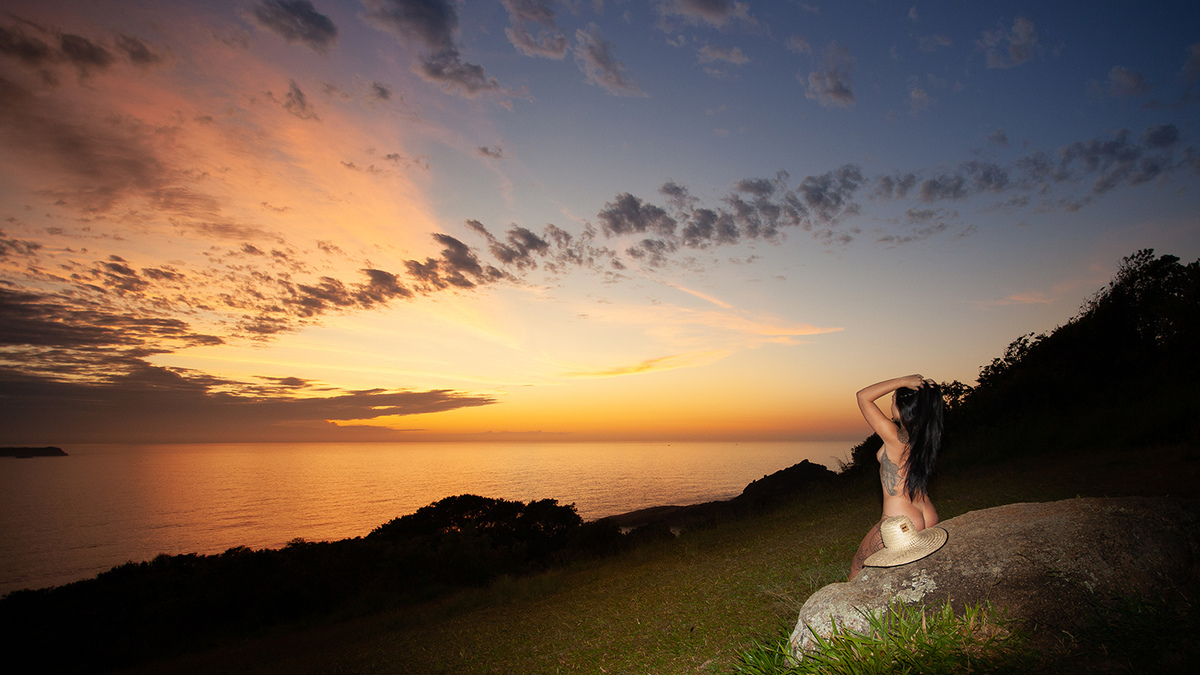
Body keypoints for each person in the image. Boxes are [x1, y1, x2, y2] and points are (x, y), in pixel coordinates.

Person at [848, 374, 944, 581]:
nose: (891, 404)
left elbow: (863, 396)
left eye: (892, 400)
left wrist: (903, 382)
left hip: (901, 519)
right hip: (927, 513)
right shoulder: (924, 437)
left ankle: (854, 612)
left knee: (859, 564)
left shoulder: (896, 437)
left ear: (902, 407)